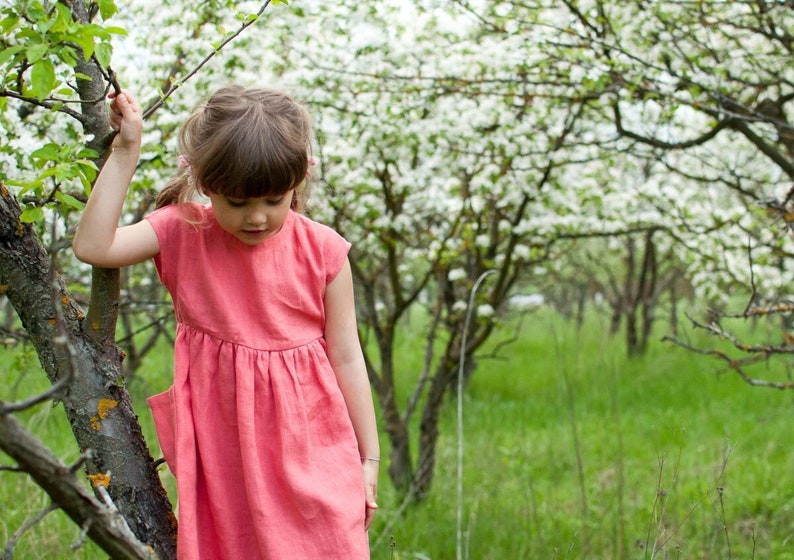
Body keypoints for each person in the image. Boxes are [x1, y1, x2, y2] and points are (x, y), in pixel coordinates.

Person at [72, 86, 380, 559]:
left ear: (299, 181)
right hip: (226, 451)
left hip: (314, 446)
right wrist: (125, 150)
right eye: (237, 202)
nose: (257, 217)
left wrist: (368, 457)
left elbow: (346, 355)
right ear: (205, 183)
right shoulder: (182, 230)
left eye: (275, 200)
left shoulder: (324, 251)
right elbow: (95, 246)